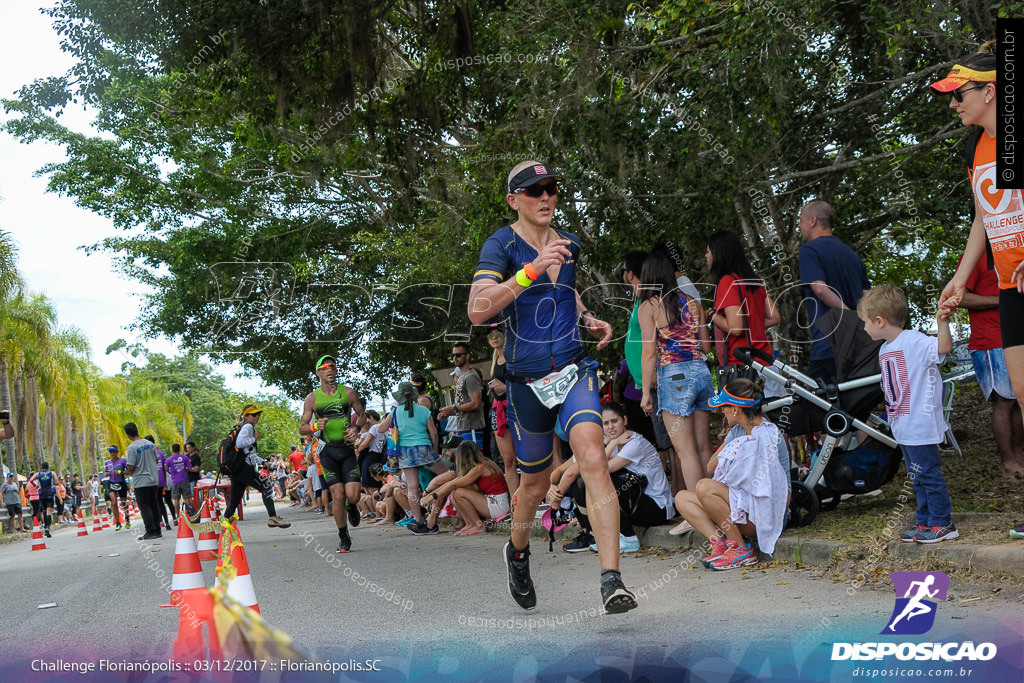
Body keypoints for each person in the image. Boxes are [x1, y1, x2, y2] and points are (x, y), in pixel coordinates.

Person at [468, 159, 636, 614]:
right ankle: (518, 554)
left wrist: (586, 317)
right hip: (525, 380)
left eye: (551, 188)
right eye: (533, 190)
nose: (545, 197)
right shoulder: (501, 244)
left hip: (573, 368)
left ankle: (612, 581)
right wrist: (529, 271)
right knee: (534, 485)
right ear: (513, 200)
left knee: (594, 455)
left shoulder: (570, 244)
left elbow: (567, 291)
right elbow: (478, 309)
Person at [932, 42, 1024, 539]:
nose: (953, 104)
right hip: (1009, 286)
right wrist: (962, 277)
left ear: (990, 92)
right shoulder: (976, 147)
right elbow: (984, 217)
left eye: (958, 94)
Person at [859, 286, 958, 543]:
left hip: (920, 424)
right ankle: (924, 521)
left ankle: (942, 523)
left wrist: (941, 322)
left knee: (928, 474)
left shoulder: (913, 340)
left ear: (879, 321)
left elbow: (943, 347)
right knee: (917, 477)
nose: (864, 328)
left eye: (865, 322)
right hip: (904, 426)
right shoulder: (885, 349)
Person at [675, 378, 790, 570]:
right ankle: (720, 544)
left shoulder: (768, 435)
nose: (721, 411)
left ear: (735, 409)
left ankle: (741, 550)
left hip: (766, 515)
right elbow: (711, 466)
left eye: (724, 407)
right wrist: (730, 442)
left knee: (704, 487)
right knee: (682, 498)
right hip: (742, 507)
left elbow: (776, 495)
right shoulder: (738, 430)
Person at [638, 251, 714, 494]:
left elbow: (649, 352)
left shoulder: (648, 306)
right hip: (701, 371)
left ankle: (698, 511)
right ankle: (716, 503)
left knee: (686, 450)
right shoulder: (692, 302)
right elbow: (707, 347)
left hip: (674, 376)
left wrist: (645, 393)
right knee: (704, 447)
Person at [554, 402, 676, 553]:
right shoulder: (613, 441)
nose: (610, 426)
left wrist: (611, 443)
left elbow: (598, 469)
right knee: (581, 481)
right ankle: (592, 533)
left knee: (600, 480)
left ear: (624, 420)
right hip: (636, 503)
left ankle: (629, 538)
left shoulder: (634, 443)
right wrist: (611, 442)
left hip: (657, 509)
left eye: (614, 421)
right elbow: (576, 468)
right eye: (605, 423)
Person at [957, 255, 1024, 477]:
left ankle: (1018, 458)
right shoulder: (974, 257)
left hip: (1014, 338)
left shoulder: (1012, 252)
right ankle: (1008, 463)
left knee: (1017, 400)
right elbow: (960, 296)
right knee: (1004, 402)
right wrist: (1003, 299)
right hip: (990, 341)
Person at [797, 200, 871, 385]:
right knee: (852, 404)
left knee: (822, 406)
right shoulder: (851, 254)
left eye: (801, 220)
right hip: (856, 346)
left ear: (812, 221)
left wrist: (846, 315)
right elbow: (867, 295)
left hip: (827, 343)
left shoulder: (809, 250)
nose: (799, 226)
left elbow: (820, 288)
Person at [298, 355, 365, 552]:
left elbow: (361, 414)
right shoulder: (312, 399)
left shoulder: (349, 392)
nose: (330, 369)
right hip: (327, 452)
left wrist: (356, 430)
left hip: (346, 450)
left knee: (352, 496)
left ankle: (351, 506)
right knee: (337, 494)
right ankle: (343, 535)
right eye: (325, 367)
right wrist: (313, 427)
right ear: (318, 373)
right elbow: (302, 427)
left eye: (333, 366)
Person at [706, 230, 782, 394]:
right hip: (767, 364)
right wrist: (752, 323)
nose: (706, 256)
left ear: (719, 254)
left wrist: (713, 316)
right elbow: (775, 317)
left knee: (748, 418)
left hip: (743, 369)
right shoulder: (753, 281)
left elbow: (736, 328)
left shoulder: (727, 282)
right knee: (773, 417)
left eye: (708, 251)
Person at [377, 381, 450, 535]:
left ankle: (419, 522)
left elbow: (381, 428)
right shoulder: (423, 410)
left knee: (412, 487)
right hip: (423, 448)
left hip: (404, 451)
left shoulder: (395, 412)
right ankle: (447, 508)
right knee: (448, 475)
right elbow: (434, 433)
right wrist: (435, 451)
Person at [217, 404, 290, 530]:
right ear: (246, 416)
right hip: (243, 468)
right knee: (266, 487)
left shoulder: (244, 427)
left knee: (234, 499)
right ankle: (273, 517)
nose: (257, 417)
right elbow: (240, 444)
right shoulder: (248, 427)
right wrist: (254, 438)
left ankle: (223, 523)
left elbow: (248, 453)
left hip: (237, 468)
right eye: (254, 415)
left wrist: (262, 462)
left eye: (258, 414)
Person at [425, 441, 510, 535]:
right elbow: (451, 483)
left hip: (498, 505)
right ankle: (470, 524)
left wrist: (430, 497)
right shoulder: (478, 466)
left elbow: (453, 485)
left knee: (458, 492)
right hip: (491, 502)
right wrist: (428, 496)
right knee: (454, 494)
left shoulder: (481, 467)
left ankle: (478, 526)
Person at [485, 325, 518, 495]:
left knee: (525, 458)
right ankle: (515, 503)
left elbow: (525, 384)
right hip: (498, 412)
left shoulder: (514, 357)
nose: (494, 337)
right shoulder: (494, 361)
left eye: (498, 334)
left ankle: (530, 499)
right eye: (490, 336)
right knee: (508, 461)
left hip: (516, 410)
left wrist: (505, 388)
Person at [438, 342, 487, 449]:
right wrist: (448, 412)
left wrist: (453, 408)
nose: (455, 358)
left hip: (472, 427)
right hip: (463, 427)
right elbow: (463, 405)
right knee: (469, 463)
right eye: (453, 355)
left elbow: (476, 404)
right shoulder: (462, 377)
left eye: (458, 355)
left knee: (476, 462)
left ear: (467, 356)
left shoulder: (471, 376)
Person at [123, 424, 162, 540]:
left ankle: (150, 531)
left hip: (141, 481)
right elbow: (156, 459)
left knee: (145, 507)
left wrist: (123, 472)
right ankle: (158, 530)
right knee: (154, 505)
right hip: (153, 480)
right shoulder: (150, 444)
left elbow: (131, 468)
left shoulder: (132, 447)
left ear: (128, 435)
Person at [164, 443, 193, 522]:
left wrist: (172, 473)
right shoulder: (184, 457)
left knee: (176, 499)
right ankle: (190, 515)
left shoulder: (169, 459)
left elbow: (166, 469)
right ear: (179, 449)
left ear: (172, 450)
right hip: (184, 479)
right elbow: (189, 467)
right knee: (187, 497)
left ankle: (178, 516)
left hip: (175, 481)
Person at [29, 461, 57, 537]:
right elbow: (57, 482)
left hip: (41, 494)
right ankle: (47, 527)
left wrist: (36, 486)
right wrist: (54, 484)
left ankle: (45, 528)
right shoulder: (52, 473)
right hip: (50, 494)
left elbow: (31, 480)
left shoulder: (38, 474)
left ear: (41, 467)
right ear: (48, 467)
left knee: (44, 511)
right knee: (49, 512)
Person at [104, 445, 130, 529]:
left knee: (123, 502)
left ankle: (127, 518)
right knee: (114, 502)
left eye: (113, 451)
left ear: (117, 452)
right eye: (110, 452)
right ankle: (118, 523)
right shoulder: (107, 462)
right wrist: (107, 474)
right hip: (112, 483)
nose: (112, 453)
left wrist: (120, 472)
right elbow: (105, 472)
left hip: (121, 483)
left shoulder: (123, 461)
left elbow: (129, 471)